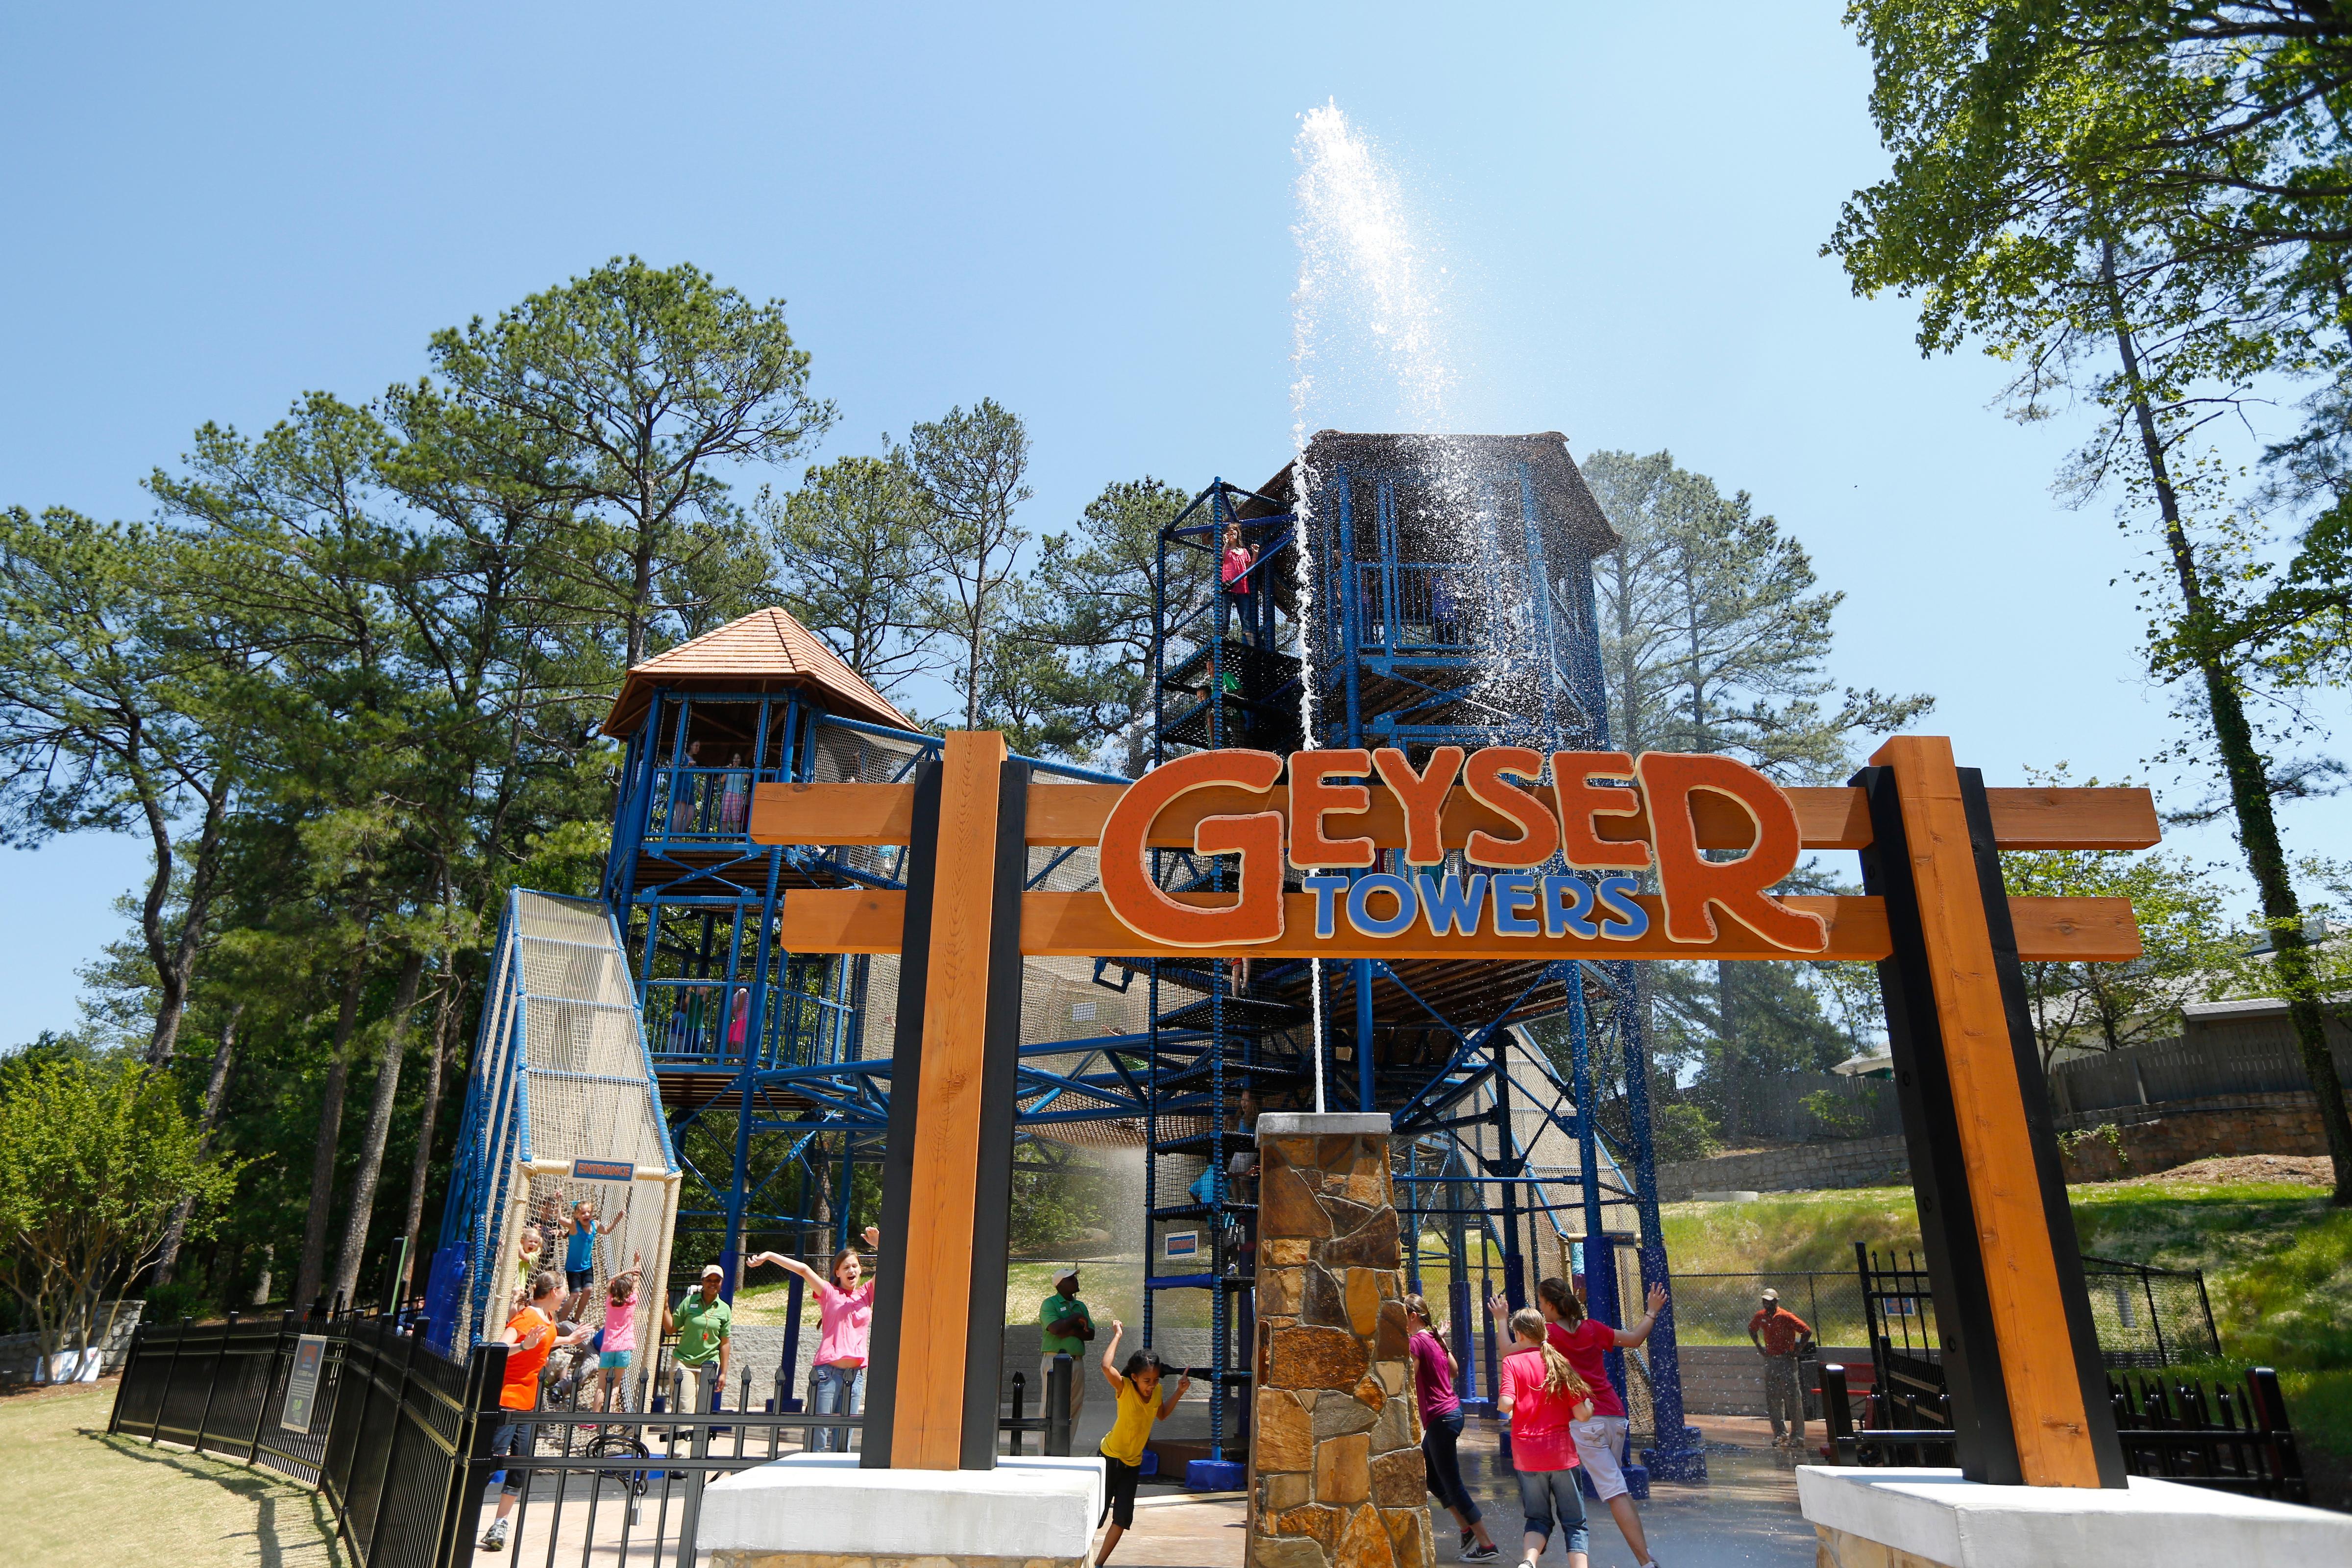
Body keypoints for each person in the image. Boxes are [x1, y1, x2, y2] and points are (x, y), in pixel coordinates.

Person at [1494, 1277, 1668, 1568]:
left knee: (1613, 1492)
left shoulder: (1548, 1336)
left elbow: (1509, 1352)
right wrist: (1651, 1311)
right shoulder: (1592, 1329)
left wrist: (1502, 1320)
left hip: (1585, 1419)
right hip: (1615, 1418)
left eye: (1540, 1303)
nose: (1540, 1308)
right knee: (1609, 1485)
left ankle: (1645, 1562)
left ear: (1549, 1306)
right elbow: (1636, 1339)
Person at [480, 1270, 589, 1552]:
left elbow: (544, 1341)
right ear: (554, 1292)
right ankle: (461, 1513)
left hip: (529, 1402)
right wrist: (523, 1345)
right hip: (508, 1399)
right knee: (491, 1462)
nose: (567, 1294)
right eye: (564, 1289)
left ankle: (500, 1524)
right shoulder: (527, 1316)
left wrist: (570, 1340)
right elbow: (499, 1349)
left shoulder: (548, 1318)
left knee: (520, 1465)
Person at [749, 1225, 882, 1452]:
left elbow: (890, 1267)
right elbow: (803, 1270)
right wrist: (770, 1256)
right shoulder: (829, 1292)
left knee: (844, 1438)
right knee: (818, 1433)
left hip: (856, 1374)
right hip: (827, 1373)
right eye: (846, 1267)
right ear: (837, 1272)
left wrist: (880, 1245)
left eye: (855, 1266)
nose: (852, 1270)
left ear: (860, 1271)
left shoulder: (866, 1295)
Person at [1497, 1307, 1594, 1568]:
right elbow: (1582, 1415)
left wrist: (1511, 1403)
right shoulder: (1559, 1362)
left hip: (1527, 1455)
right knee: (1575, 1522)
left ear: (1518, 1335)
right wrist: (1590, 1407)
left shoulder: (1512, 1362)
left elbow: (1506, 1404)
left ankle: (1529, 1563)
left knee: (1537, 1518)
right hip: (1561, 1454)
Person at [1406, 1294, 1498, 1561]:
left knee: (1454, 1484)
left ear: (1412, 1316)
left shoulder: (1415, 1342)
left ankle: (1487, 1544)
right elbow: (1455, 1371)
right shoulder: (1434, 1337)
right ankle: (1466, 1528)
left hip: (1440, 1418)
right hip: (1452, 1414)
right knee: (1431, 1476)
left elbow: (1409, 1380)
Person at [1093, 1320, 1189, 1568]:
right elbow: (1106, 1366)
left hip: (1132, 1462)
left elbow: (1162, 1414)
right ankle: (1079, 1557)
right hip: (1110, 1457)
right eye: (1147, 1380)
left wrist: (1178, 1391)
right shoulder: (1124, 1388)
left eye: (1156, 1380)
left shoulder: (1156, 1392)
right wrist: (1118, 1335)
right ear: (1134, 1377)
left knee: (1122, 1518)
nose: (1152, 1385)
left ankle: (1099, 1564)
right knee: (1096, 1516)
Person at [1749, 1288, 1813, 1449]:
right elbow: (1752, 1329)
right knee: (1773, 1399)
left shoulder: (1785, 1316)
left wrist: (1797, 1351)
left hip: (1786, 1360)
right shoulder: (1761, 1316)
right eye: (1765, 1301)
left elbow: (1806, 1331)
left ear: (1776, 1302)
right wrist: (1760, 1347)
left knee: (1793, 1399)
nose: (1767, 1304)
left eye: (1770, 1302)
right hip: (1771, 1360)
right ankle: (1780, 1434)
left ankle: (1798, 1437)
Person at [664, 1263, 733, 1413]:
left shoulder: (724, 1309)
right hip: (684, 1361)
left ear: (721, 1283)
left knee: (702, 1410)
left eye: (717, 1281)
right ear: (703, 1281)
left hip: (709, 1364)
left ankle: (697, 1438)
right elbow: (671, 1328)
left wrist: (723, 1373)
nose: (713, 1284)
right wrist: (665, 1307)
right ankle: (682, 1437)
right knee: (684, 1408)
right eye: (709, 1280)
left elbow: (725, 1343)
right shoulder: (689, 1302)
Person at [1038, 1268, 1095, 1429]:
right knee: (1051, 1405)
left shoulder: (1080, 1306)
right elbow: (1055, 1329)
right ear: (1060, 1284)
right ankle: (1044, 1453)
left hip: (1077, 1362)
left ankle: (1066, 1451)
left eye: (1074, 1278)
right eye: (1070, 1279)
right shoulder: (1050, 1304)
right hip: (1054, 1361)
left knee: (1074, 1407)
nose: (1075, 1281)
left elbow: (1090, 1334)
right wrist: (1076, 1319)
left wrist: (1069, 1330)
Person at [594, 1254, 644, 1413]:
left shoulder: (610, 1302)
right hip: (624, 1348)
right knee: (616, 1384)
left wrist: (624, 1273)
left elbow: (609, 1283)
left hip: (608, 1347)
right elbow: (636, 1283)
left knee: (601, 1385)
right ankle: (608, 1415)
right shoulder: (632, 1302)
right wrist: (636, 1264)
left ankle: (592, 1418)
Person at [562, 1198, 627, 1310]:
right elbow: (560, 1219)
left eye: (589, 1212)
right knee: (575, 1294)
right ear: (577, 1215)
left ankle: (576, 1319)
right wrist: (559, 1202)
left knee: (588, 1290)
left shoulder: (595, 1225)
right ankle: (561, 1321)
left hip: (587, 1266)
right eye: (583, 1213)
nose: (587, 1215)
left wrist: (618, 1218)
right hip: (573, 1268)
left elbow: (606, 1230)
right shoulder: (574, 1226)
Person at [1218, 521, 1256, 645]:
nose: (1231, 534)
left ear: (1237, 534)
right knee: (1225, 617)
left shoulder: (1244, 551)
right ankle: (1222, 643)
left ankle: (1252, 646)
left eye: (1234, 532)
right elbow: (1220, 561)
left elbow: (1251, 571)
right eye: (1229, 533)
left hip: (1242, 588)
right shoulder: (1226, 549)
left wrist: (1255, 553)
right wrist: (1225, 545)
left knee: (1246, 618)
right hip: (1227, 587)